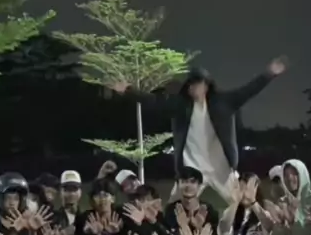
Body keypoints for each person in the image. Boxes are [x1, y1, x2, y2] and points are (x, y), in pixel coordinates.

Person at [113, 59, 287, 201]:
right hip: (192, 168)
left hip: (220, 167)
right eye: (191, 85)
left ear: (206, 85)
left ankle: (246, 230)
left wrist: (269, 73)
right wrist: (128, 91)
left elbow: (248, 91)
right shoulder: (180, 106)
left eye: (198, 84)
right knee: (176, 204)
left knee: (240, 203)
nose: (194, 88)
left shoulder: (223, 102)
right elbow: (154, 102)